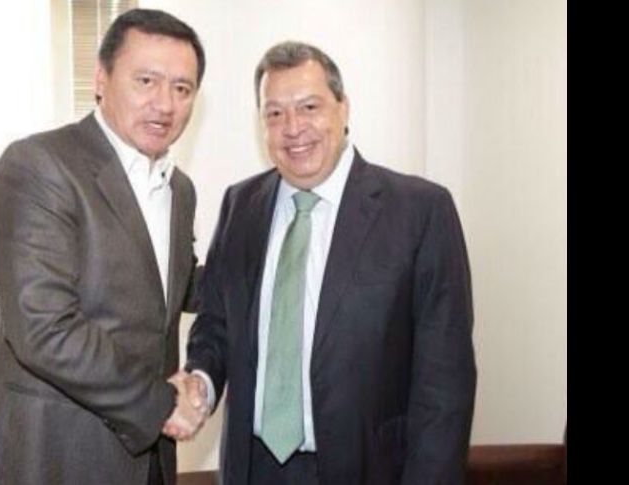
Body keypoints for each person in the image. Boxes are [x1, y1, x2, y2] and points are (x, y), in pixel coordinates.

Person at [180, 41, 477, 484]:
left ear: (343, 107)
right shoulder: (240, 205)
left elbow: (445, 383)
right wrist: (201, 380)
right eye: (274, 113)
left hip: (370, 471)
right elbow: (217, 322)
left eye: (309, 107)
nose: (293, 128)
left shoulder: (420, 212)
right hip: (253, 468)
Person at [0, 9, 207, 485]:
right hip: (47, 454)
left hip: (147, 463)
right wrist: (161, 403)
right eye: (146, 81)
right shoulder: (39, 164)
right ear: (100, 79)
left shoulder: (181, 190)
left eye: (182, 88)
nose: (164, 104)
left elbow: (173, 288)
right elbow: (44, 326)